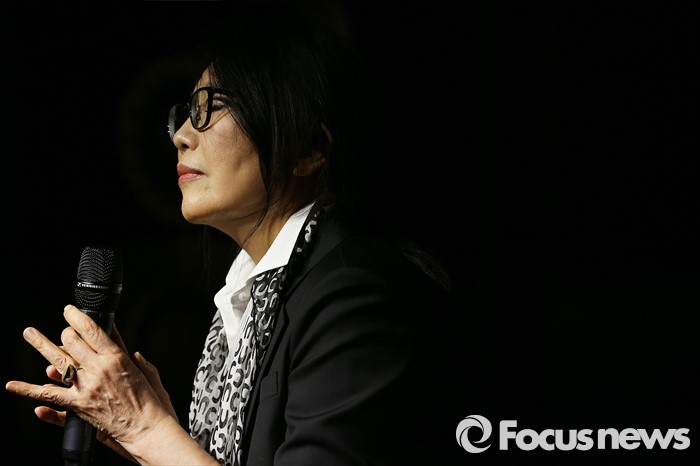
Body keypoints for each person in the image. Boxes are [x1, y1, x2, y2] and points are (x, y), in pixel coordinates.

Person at [6, 5, 468, 465]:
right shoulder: (257, 297)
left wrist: (145, 427)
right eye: (185, 114)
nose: (181, 136)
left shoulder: (355, 297)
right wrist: (151, 447)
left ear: (308, 149)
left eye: (210, 108)